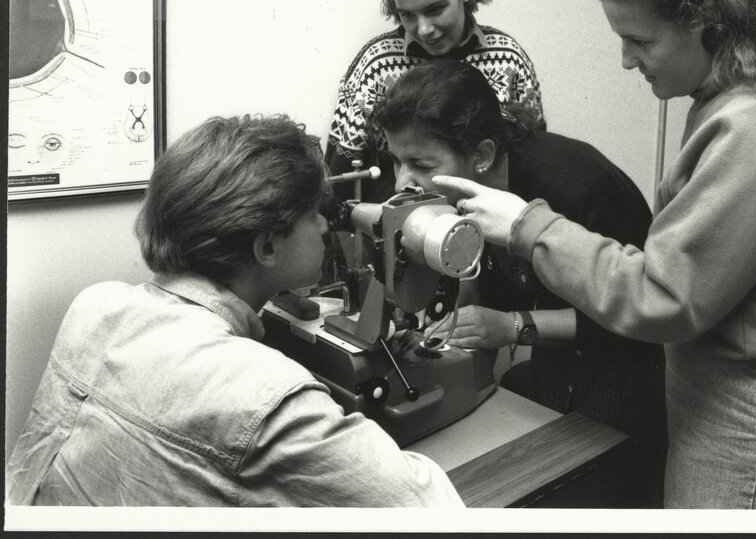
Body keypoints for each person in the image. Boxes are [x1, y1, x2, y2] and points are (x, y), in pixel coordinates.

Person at [433, 0, 756, 509]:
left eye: (639, 39)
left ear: (709, 22)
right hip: (755, 389)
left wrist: (527, 225)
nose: (625, 60)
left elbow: (663, 296)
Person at [5, 115, 462, 507]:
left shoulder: (94, 305)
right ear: (266, 245)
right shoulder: (265, 398)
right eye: (312, 214)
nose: (326, 224)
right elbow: (428, 506)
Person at [369, 60, 666, 508]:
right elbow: (473, 276)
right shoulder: (463, 189)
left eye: (419, 164)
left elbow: (639, 319)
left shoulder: (579, 190)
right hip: (555, 370)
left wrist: (512, 326)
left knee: (593, 487)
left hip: (623, 374)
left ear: (483, 155)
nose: (402, 181)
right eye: (395, 160)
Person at [326, 0, 544, 203]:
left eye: (436, 9)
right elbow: (341, 179)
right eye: (408, 15)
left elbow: (531, 164)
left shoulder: (508, 59)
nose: (424, 29)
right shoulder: (377, 65)